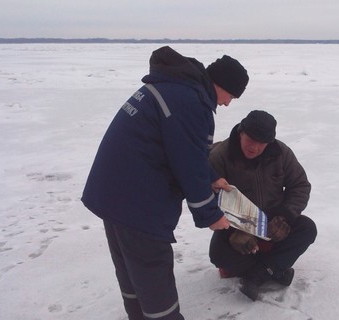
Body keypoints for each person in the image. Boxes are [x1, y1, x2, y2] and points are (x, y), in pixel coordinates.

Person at [81, 46, 248, 320]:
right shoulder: (190, 101)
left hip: (113, 195)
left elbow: (181, 148)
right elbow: (188, 162)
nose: (228, 103)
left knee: (133, 273)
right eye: (231, 95)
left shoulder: (175, 88)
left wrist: (212, 178)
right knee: (152, 274)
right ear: (221, 85)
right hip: (137, 203)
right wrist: (210, 214)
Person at [208, 110, 317, 301]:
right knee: (218, 255)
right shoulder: (220, 156)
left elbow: (300, 185)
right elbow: (208, 198)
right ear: (241, 132)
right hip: (237, 226)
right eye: (251, 139)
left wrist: (286, 217)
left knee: (307, 229)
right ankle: (275, 269)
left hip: (274, 222)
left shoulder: (281, 153)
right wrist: (233, 229)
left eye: (262, 143)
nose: (255, 147)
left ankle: (257, 275)